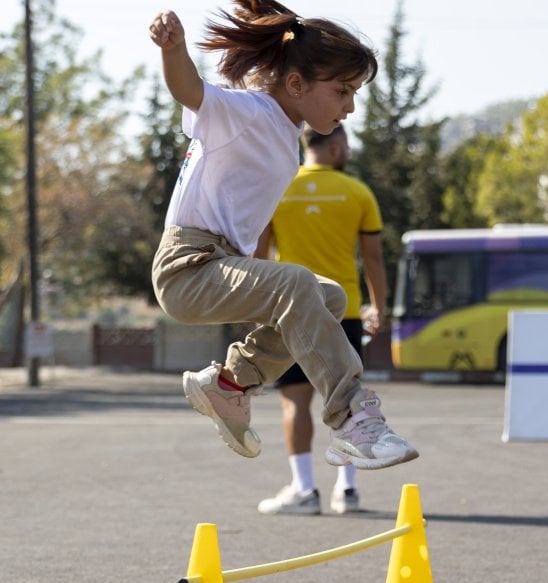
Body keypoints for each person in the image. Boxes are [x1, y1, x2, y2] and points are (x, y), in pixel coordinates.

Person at [147, 1, 418, 471]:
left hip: (220, 262)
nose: (350, 107)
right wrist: (174, 49)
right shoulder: (247, 113)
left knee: (327, 296)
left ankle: (231, 385)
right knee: (294, 283)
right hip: (187, 266)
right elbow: (189, 90)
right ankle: (352, 417)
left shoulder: (283, 131)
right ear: (296, 84)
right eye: (342, 91)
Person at [251, 125, 387, 515]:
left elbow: (259, 257)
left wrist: (257, 310)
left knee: (295, 401)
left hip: (289, 310)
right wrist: (379, 306)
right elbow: (373, 259)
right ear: (337, 146)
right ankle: (347, 491)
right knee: (343, 399)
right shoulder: (358, 192)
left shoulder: (278, 188)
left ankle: (305, 490)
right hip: (342, 310)